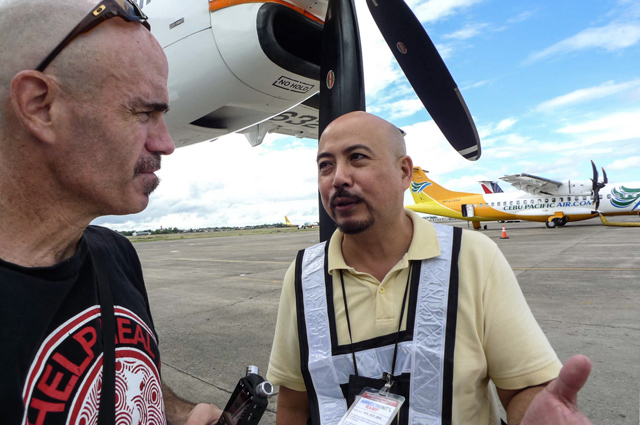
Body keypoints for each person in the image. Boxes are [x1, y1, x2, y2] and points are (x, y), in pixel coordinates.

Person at [266, 111, 594, 425]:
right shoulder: (303, 275)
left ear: (404, 172)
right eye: (325, 165)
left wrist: (537, 413)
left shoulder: (473, 256)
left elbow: (524, 386)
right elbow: (294, 403)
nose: (338, 177)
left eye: (357, 157)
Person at [0, 0, 221, 423]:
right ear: (40, 105)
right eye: (144, 112)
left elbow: (120, 374)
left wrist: (178, 414)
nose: (166, 144)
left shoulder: (115, 254)